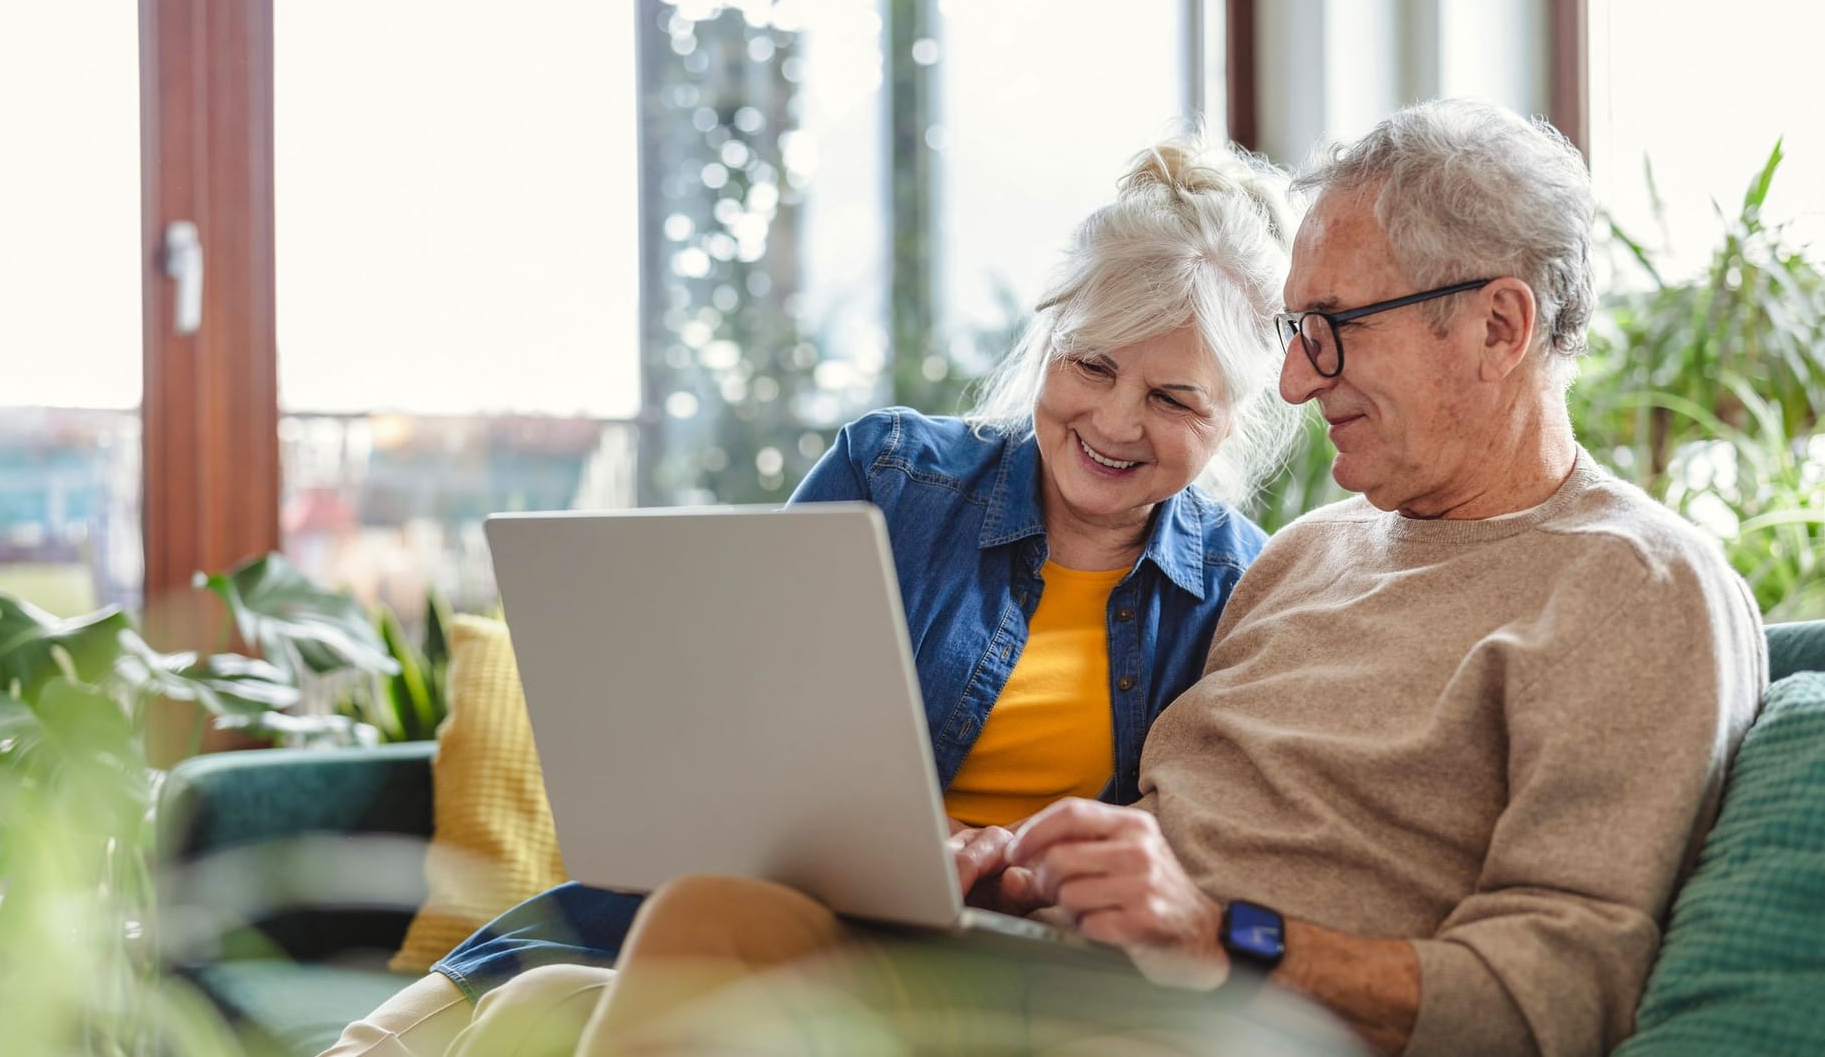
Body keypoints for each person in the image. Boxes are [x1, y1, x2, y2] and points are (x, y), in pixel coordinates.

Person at [424, 97, 1769, 1057]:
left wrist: (1223, 932)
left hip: (1239, 1018)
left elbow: (1559, 991)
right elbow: (1164, 817)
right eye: (1296, 334)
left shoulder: (1638, 588)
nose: (1295, 383)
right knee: (692, 928)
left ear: (1498, 323)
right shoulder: (1309, 558)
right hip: (1057, 969)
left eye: (1328, 333)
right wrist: (1037, 869)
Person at [318, 132, 1304, 1057]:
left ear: (1233, 421)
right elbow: (739, 748)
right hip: (741, 905)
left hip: (983, 964)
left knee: (539, 1008)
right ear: (1049, 341)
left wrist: (1024, 867)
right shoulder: (893, 476)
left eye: (1174, 399)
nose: (1116, 419)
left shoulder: (1241, 592)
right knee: (422, 1033)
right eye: (1093, 364)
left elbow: (1190, 875)